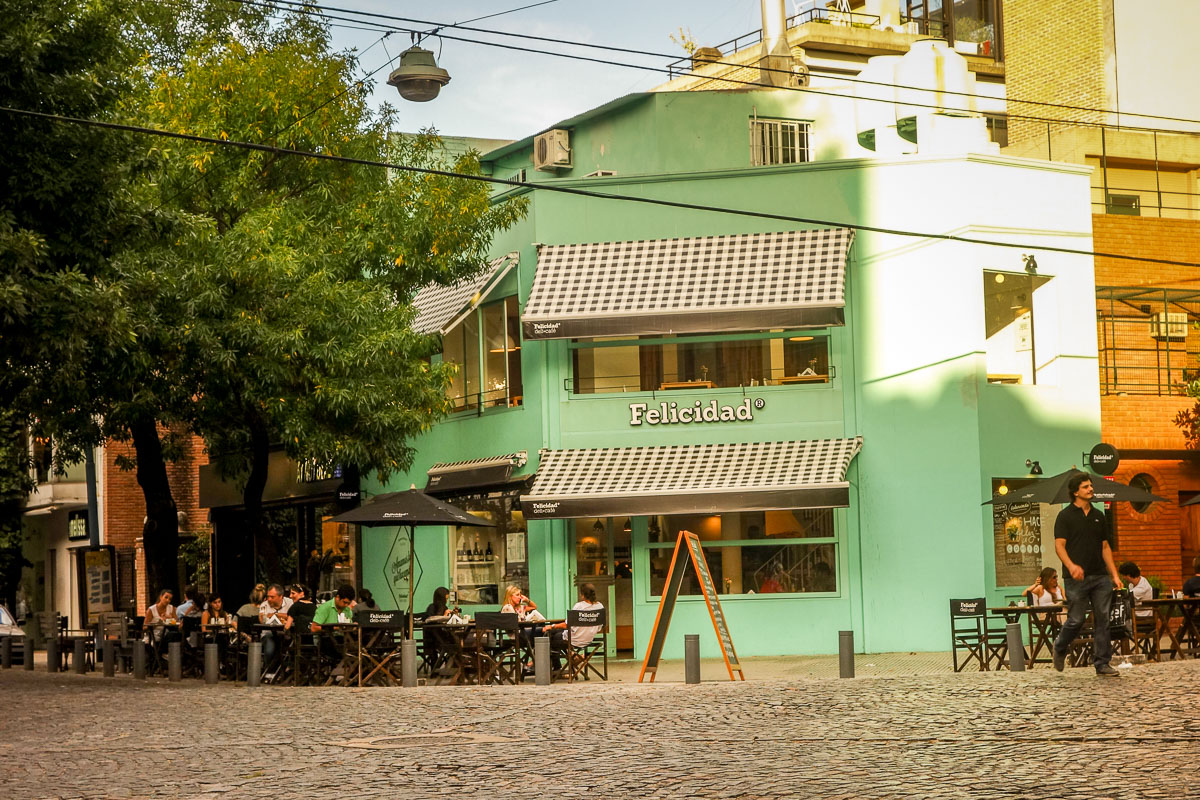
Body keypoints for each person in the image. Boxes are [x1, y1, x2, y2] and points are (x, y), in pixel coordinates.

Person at [1051, 474, 1124, 677]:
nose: (1091, 489)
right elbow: (1059, 546)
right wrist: (1071, 566)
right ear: (1076, 492)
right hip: (1075, 579)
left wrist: (1115, 575)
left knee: (1103, 619)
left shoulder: (1099, 515)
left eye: (1091, 486)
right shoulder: (1065, 516)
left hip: (1100, 577)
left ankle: (1102, 663)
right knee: (1075, 620)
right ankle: (1059, 646)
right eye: (1086, 487)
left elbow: (1105, 547)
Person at [542, 583, 604, 672]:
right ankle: (573, 657)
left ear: (582, 595)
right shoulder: (600, 606)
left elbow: (567, 625)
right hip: (588, 640)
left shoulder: (579, 606)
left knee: (549, 638)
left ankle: (557, 668)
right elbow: (599, 628)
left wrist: (551, 626)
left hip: (573, 640)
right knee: (557, 633)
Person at [258, 584, 293, 668]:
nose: (269, 599)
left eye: (272, 597)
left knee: (293, 647)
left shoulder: (290, 603)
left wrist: (276, 614)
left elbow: (293, 616)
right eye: (268, 596)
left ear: (281, 596)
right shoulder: (264, 605)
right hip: (269, 633)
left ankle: (287, 670)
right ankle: (269, 671)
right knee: (270, 649)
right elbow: (261, 619)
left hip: (286, 634)